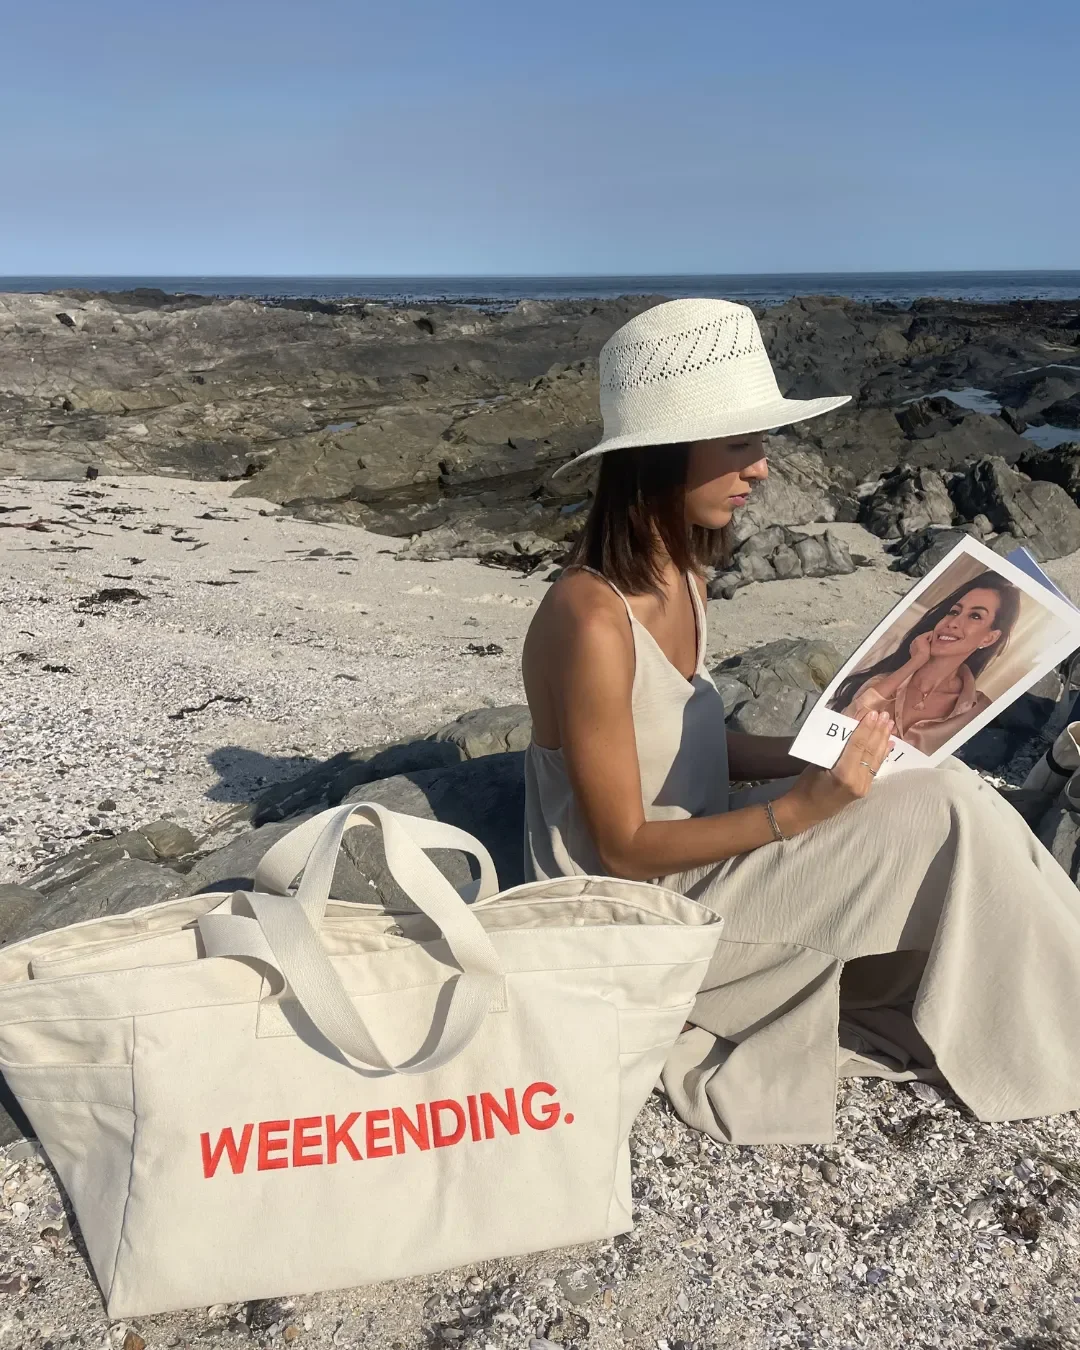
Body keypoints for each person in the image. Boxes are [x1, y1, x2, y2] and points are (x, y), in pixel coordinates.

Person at [521, 297, 1080, 1146]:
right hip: (638, 915)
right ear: (666, 453)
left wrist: (824, 744)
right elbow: (621, 848)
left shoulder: (682, 576)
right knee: (942, 808)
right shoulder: (589, 618)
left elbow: (689, 745)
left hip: (702, 862)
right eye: (742, 443)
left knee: (935, 777)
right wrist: (803, 808)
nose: (763, 469)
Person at [830, 573, 1020, 755]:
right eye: (954, 611)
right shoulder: (882, 682)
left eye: (975, 616)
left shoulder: (978, 711)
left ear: (989, 638)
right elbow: (836, 733)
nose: (953, 623)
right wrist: (915, 662)